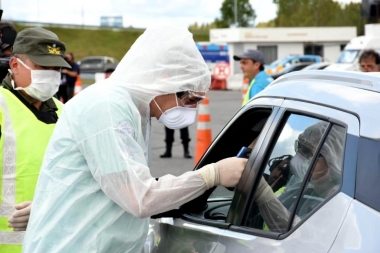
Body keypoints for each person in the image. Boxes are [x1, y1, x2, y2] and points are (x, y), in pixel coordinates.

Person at [21, 25, 247, 252]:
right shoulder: (107, 106)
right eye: (189, 99)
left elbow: (103, 181)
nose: (190, 110)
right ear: (165, 80)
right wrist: (211, 175)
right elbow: (141, 197)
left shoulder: (132, 109)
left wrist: (59, 202)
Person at [0, 27, 70, 252]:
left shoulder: (63, 112)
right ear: (14, 65)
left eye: (56, 68)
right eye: (43, 67)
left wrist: (47, 208)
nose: (51, 75)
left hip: (55, 241)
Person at [252, 122, 345, 233]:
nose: (299, 157)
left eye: (307, 152)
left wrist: (262, 193)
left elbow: (300, 235)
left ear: (332, 159)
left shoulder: (339, 202)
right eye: (299, 148)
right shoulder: (299, 186)